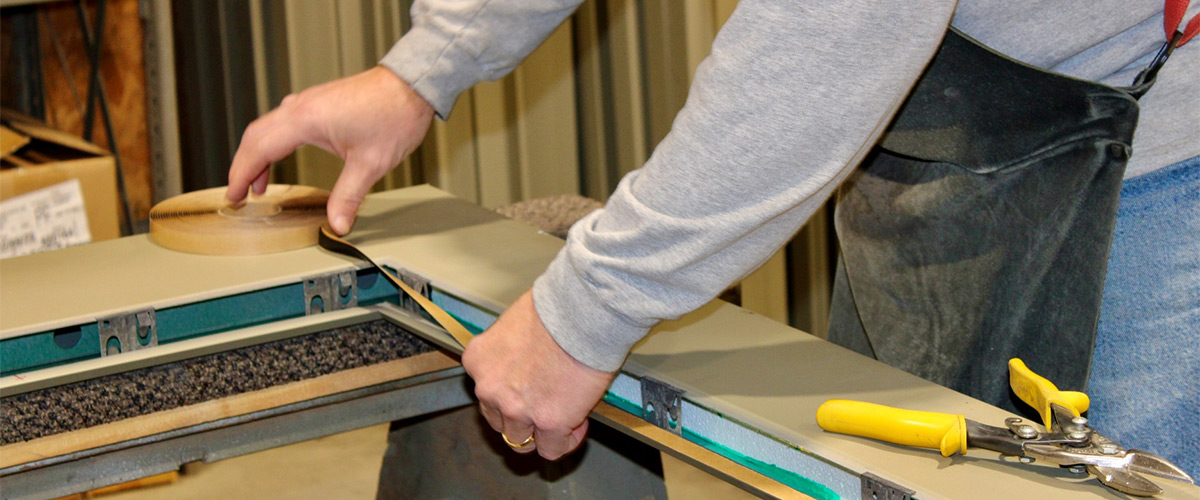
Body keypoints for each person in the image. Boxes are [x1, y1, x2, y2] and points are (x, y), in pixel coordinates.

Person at [227, 0, 1199, 478]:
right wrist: (422, 69)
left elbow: (839, 23)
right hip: (952, 113)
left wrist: (582, 313)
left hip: (1152, 133)